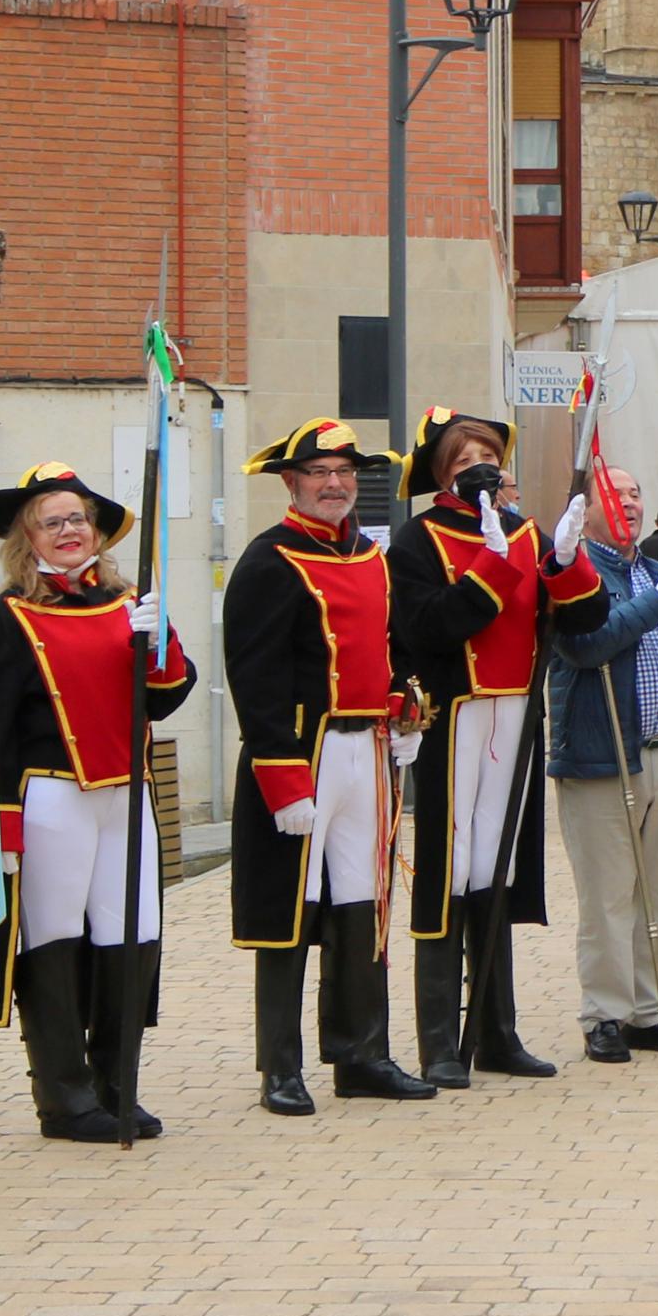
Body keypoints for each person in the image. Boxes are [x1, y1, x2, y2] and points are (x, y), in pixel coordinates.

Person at [0, 462, 196, 1143]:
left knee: (134, 936)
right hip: (50, 796)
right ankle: (64, 1097)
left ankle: (118, 1083)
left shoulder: (129, 600)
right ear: (26, 537)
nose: (69, 530)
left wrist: (160, 644)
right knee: (54, 941)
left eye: (78, 518)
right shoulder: (7, 614)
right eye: (52, 520)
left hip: (127, 792)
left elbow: (165, 696)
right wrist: (2, 822)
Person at [386, 408, 609, 1087]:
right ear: (440, 474)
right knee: (448, 872)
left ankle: (495, 1030)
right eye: (462, 459)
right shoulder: (415, 541)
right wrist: (490, 563)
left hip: (515, 714)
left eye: (487, 454)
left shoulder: (523, 531)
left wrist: (566, 562)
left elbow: (583, 621)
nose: (479, 466)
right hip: (453, 716)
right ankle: (437, 1041)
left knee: (496, 870)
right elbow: (431, 627)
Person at [224, 419, 439, 1111]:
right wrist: (280, 776)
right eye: (319, 471)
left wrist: (408, 710)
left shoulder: (372, 557)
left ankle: (362, 1052)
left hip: (367, 750)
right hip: (302, 755)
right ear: (291, 482)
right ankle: (279, 1067)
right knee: (290, 911)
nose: (335, 483)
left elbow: (395, 649)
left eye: (345, 472)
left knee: (362, 904)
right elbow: (253, 680)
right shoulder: (267, 561)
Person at [547, 465, 658, 1063]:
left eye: (637, 492)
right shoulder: (577, 574)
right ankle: (606, 1013)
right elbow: (590, 641)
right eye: (615, 494)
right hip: (605, 759)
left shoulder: (653, 569)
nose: (630, 502)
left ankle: (655, 1009)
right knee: (609, 896)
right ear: (586, 509)